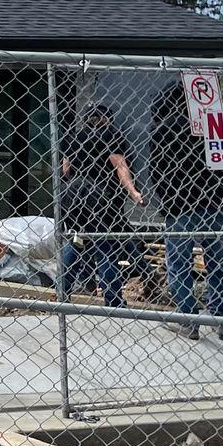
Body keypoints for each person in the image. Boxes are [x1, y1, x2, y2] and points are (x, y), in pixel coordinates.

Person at [148, 81, 223, 339]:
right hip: (215, 202)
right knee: (216, 261)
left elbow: (156, 171)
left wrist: (166, 202)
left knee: (178, 263)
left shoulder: (162, 129)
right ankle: (222, 318)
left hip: (180, 206)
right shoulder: (212, 125)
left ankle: (188, 320)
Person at [59, 103, 144, 309]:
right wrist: (133, 193)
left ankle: (62, 291)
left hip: (75, 198)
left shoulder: (75, 137)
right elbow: (119, 166)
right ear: (107, 119)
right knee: (107, 248)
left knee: (77, 241)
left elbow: (65, 169)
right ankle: (113, 300)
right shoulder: (110, 136)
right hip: (101, 200)